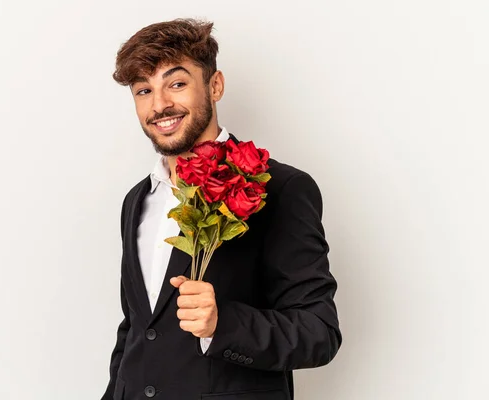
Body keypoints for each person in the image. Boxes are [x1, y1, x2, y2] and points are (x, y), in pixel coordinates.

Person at [101, 18, 341, 400]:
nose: (160, 104)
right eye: (143, 90)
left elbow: (319, 332)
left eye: (176, 83)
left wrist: (222, 323)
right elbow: (136, 329)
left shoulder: (280, 189)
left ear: (215, 86)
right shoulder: (137, 200)